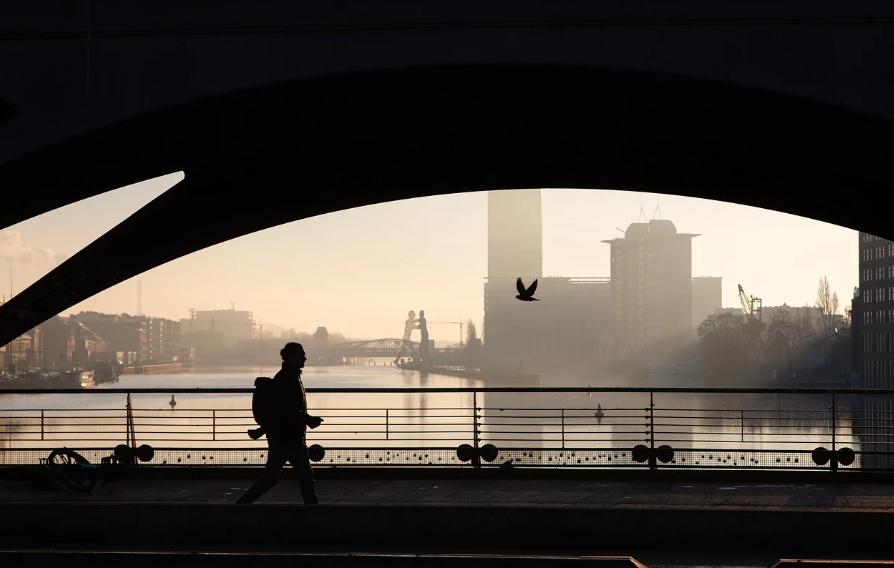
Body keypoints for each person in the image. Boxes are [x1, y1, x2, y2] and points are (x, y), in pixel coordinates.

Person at [237, 342, 323, 504]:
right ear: (290, 357)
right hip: (288, 438)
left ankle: (242, 505)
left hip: (284, 437)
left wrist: (262, 430)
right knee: (304, 476)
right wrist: (308, 419)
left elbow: (279, 410)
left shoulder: (289, 376)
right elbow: (286, 409)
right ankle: (313, 512)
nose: (305, 358)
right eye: (301, 355)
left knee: (274, 478)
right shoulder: (286, 379)